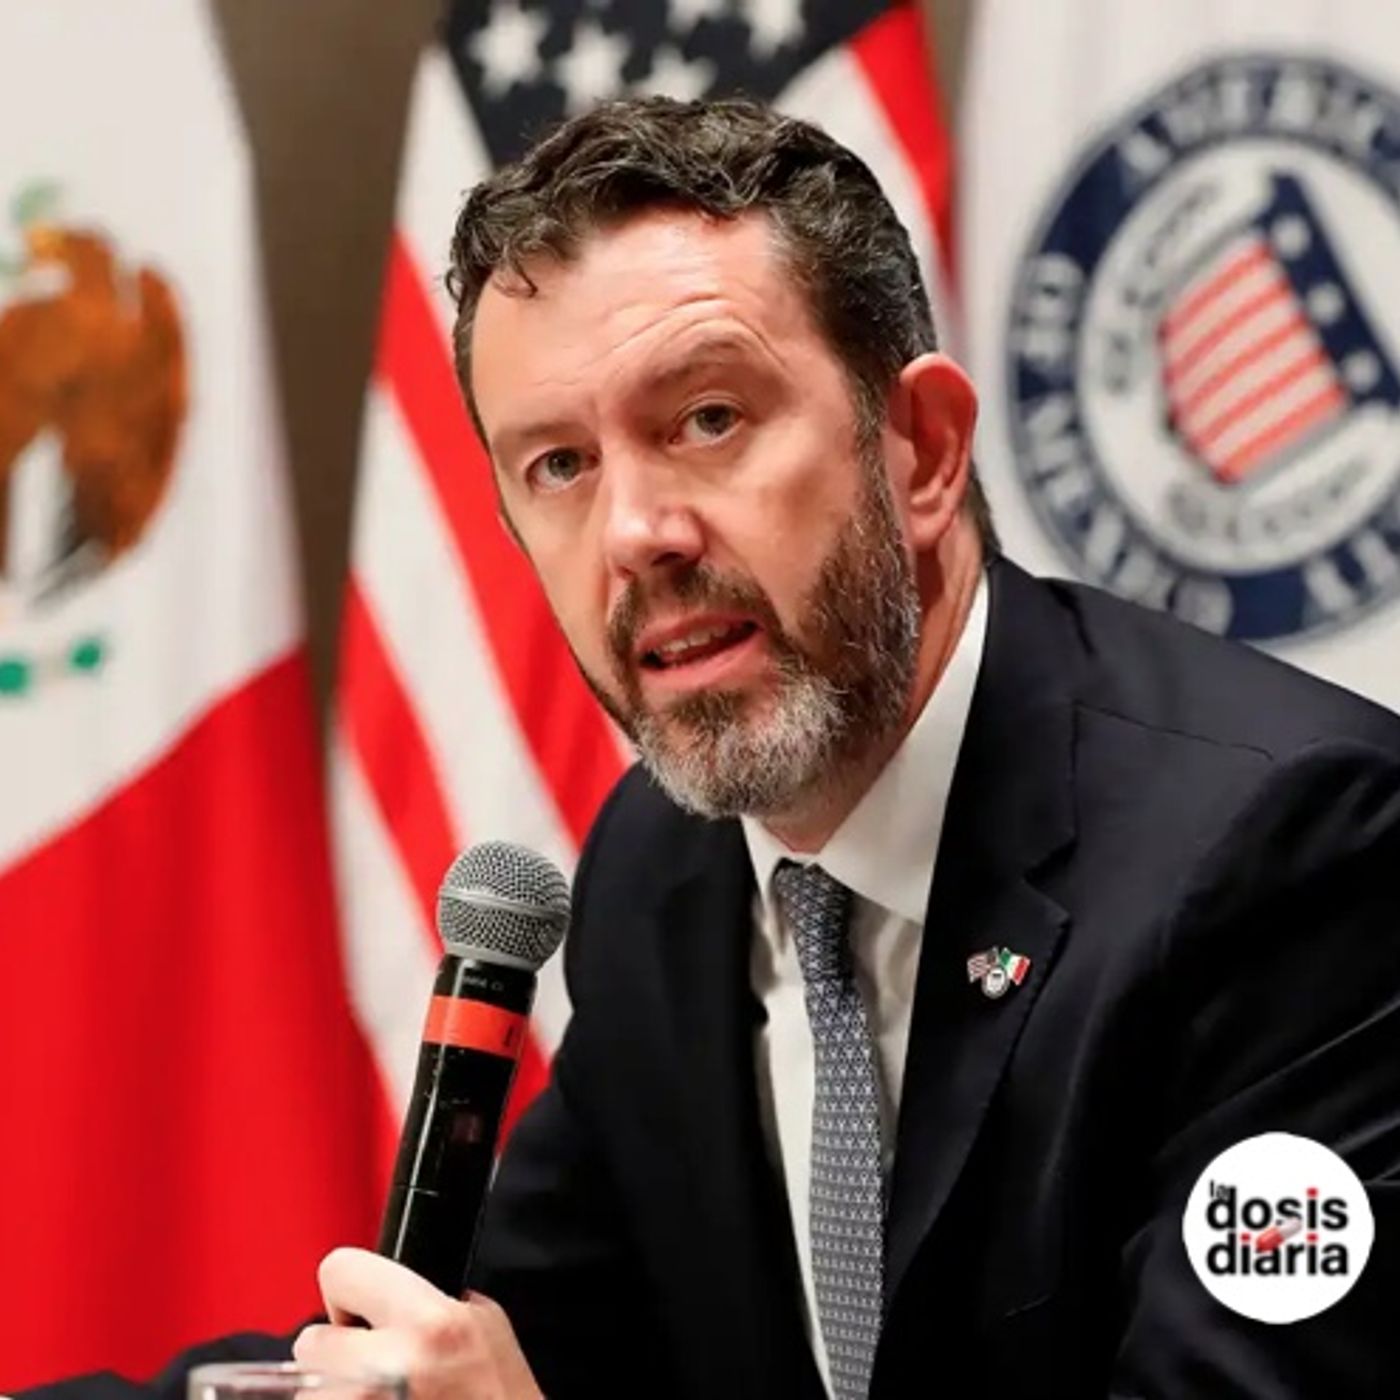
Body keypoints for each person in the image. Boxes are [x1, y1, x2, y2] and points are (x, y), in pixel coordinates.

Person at [30, 97, 1400, 1400]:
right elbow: (502, 1341)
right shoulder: (664, 873)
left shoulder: (1292, 856)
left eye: (707, 420)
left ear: (923, 452)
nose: (636, 534)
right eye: (559, 466)